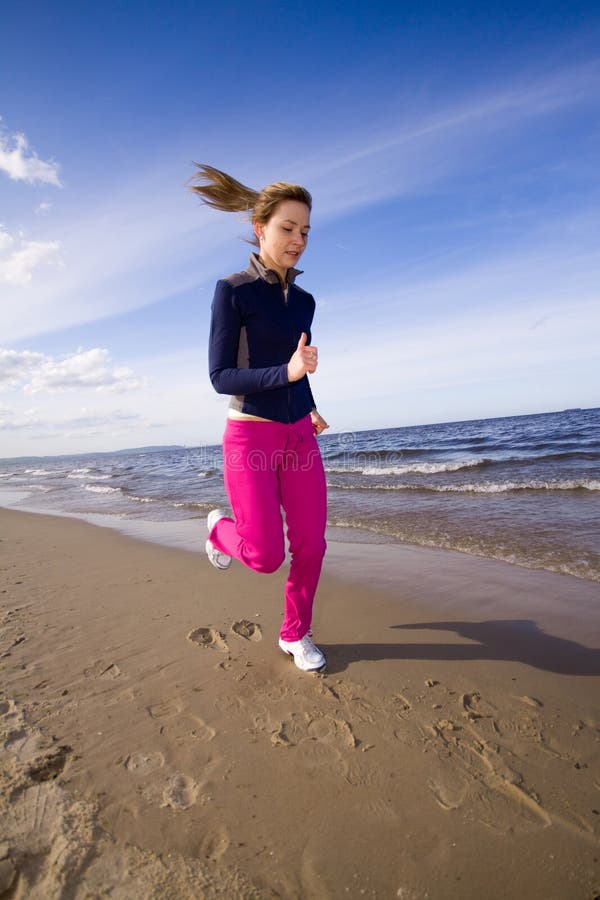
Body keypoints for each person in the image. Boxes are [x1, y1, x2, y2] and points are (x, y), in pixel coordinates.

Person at [188, 164, 329, 673]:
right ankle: (218, 530)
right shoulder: (233, 291)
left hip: (298, 435)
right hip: (250, 435)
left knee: (312, 543)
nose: (299, 239)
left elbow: (297, 362)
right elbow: (221, 376)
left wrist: (308, 400)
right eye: (289, 228)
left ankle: (295, 633)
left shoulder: (307, 301)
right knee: (266, 555)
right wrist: (288, 373)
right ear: (260, 227)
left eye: (306, 231)